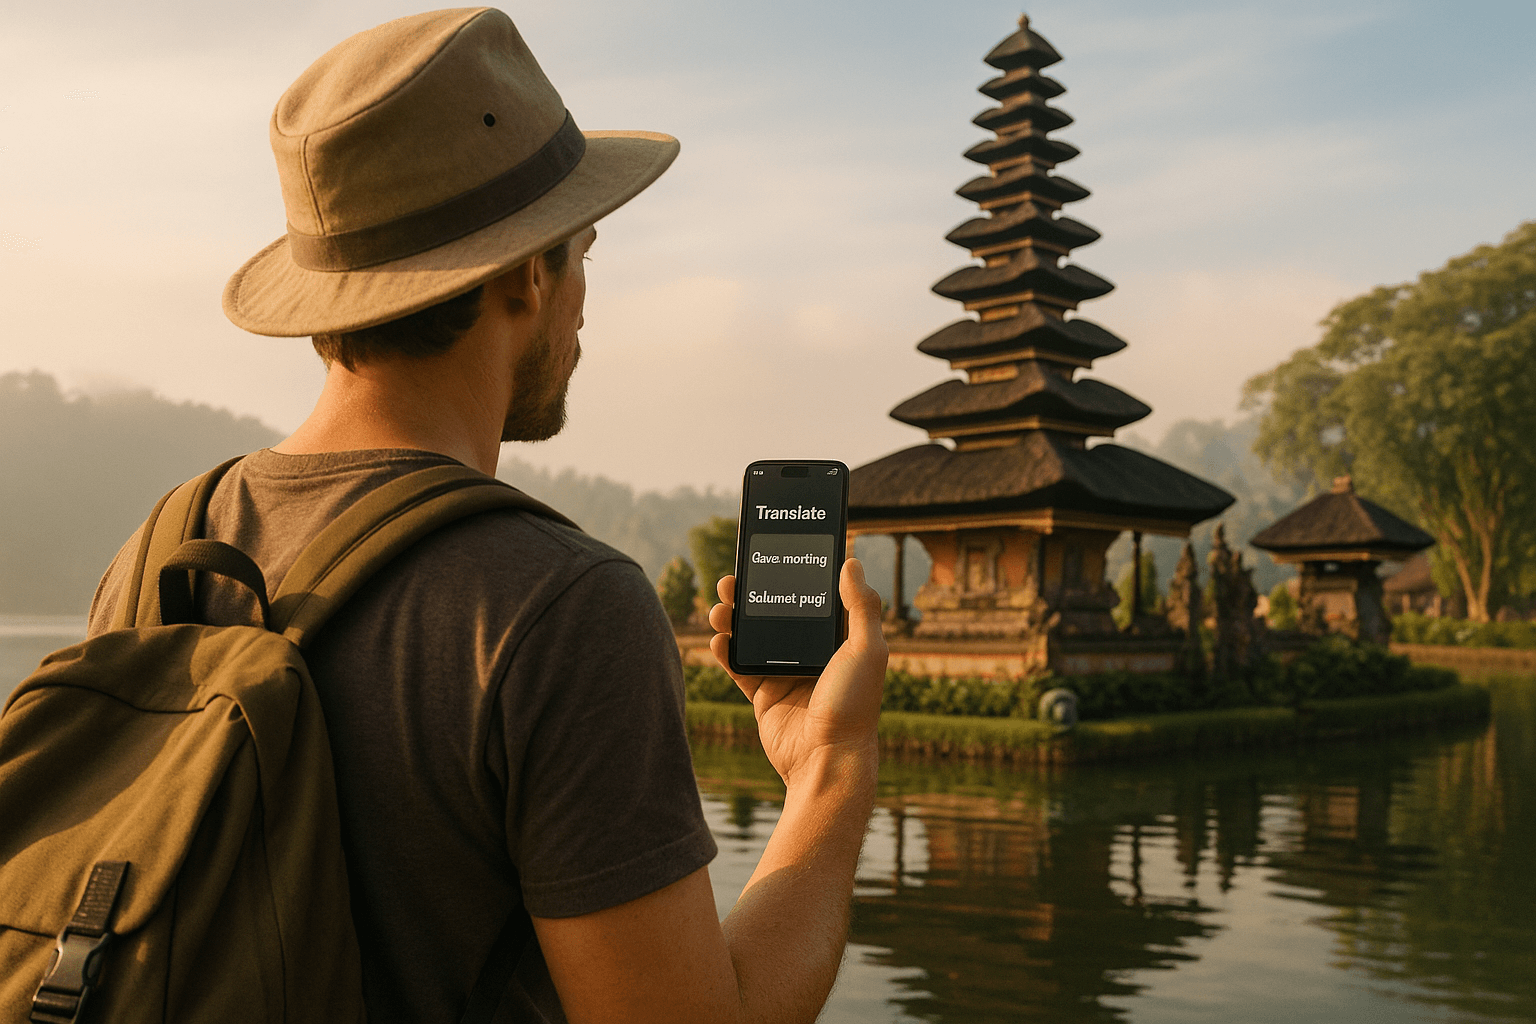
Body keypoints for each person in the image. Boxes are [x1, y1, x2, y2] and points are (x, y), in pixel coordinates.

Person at [87, 8, 888, 1024]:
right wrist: (834, 765)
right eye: (582, 252)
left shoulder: (160, 549)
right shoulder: (559, 606)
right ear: (524, 269)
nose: (585, 301)